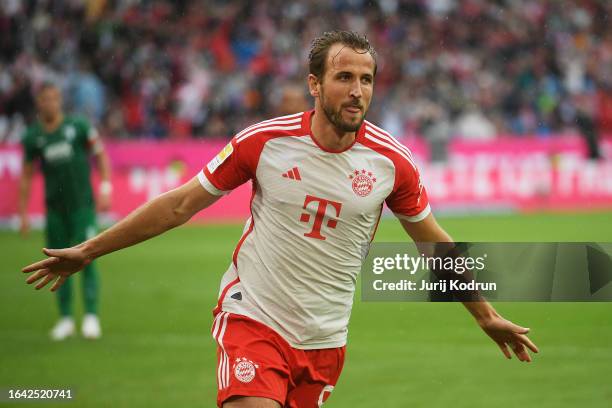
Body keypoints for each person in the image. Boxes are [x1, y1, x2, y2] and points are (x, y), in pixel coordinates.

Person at [22, 32, 538, 407]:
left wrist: (484, 314)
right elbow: (180, 204)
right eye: (344, 78)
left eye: (366, 79)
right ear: (315, 85)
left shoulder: (392, 162)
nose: (357, 90)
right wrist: (88, 250)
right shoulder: (263, 142)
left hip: (325, 340)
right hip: (254, 319)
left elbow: (436, 246)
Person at [19, 82, 112, 341]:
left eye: (53, 98)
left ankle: (91, 316)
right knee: (57, 262)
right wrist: (24, 213)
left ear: (59, 100)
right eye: (44, 99)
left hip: (82, 207)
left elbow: (101, 155)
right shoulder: (33, 137)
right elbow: (26, 176)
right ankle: (66, 318)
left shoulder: (78, 127)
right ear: (39, 103)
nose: (49, 103)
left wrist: (105, 187)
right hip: (55, 211)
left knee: (88, 257)